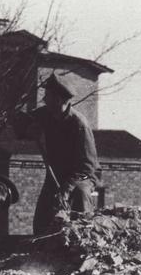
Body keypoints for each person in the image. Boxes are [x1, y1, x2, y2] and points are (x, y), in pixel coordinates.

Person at [24, 73, 100, 235]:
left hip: (81, 177)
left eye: (47, 96)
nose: (44, 100)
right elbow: (22, 120)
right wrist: (26, 127)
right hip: (56, 174)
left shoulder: (79, 125)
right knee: (43, 216)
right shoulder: (46, 114)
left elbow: (87, 167)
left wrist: (67, 189)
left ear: (58, 100)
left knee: (79, 197)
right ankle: (41, 244)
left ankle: (84, 236)